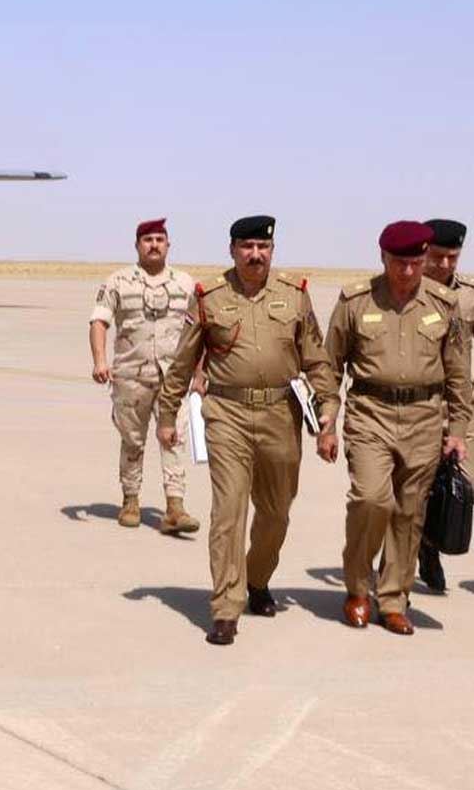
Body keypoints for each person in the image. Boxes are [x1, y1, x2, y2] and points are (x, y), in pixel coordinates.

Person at [157, 216, 338, 646]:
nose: (255, 255)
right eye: (247, 247)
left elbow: (316, 359)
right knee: (228, 512)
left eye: (263, 247)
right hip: (227, 414)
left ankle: (257, 579)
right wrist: (166, 415)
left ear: (272, 250)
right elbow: (183, 362)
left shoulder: (295, 296)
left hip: (281, 415)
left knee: (276, 513)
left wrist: (329, 408)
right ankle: (226, 607)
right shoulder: (209, 297)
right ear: (232, 250)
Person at [317, 221, 470, 635]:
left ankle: (393, 599)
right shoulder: (355, 300)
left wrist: (457, 429)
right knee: (371, 498)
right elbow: (329, 367)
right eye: (399, 263)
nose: (408, 271)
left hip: (424, 418)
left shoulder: (444, 304)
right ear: (382, 257)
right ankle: (357, 588)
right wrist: (327, 420)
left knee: (409, 512)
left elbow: (459, 373)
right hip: (371, 413)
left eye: (415, 263)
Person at [88, 218, 202, 533]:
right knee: (132, 440)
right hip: (131, 376)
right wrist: (100, 361)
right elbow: (99, 322)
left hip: (173, 378)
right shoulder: (118, 282)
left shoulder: (185, 284)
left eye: (159, 240)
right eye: (148, 240)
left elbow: (198, 332)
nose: (154, 245)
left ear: (168, 245)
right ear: (137, 245)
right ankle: (131, 500)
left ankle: (175, 507)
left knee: (174, 439)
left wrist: (199, 375)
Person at [416, 218, 474, 592]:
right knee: (413, 490)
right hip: (415, 405)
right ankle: (415, 554)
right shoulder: (404, 289)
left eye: (453, 257)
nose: (445, 265)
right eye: (438, 256)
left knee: (464, 484)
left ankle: (431, 541)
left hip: (459, 406)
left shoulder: (468, 295)